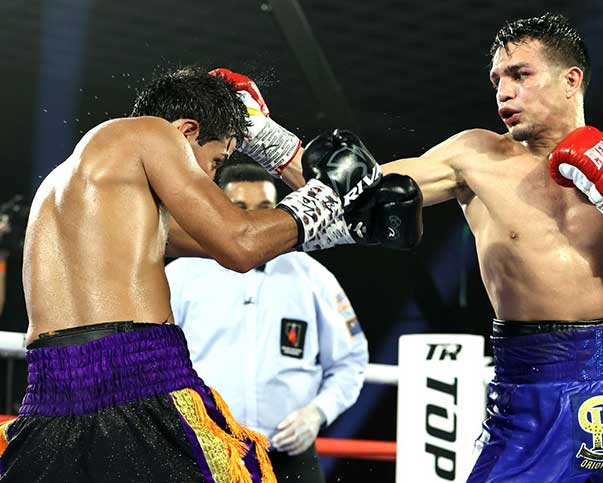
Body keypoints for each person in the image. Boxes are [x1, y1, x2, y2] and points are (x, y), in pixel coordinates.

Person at [232, 14, 603, 482]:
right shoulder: (475, 157)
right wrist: (264, 136)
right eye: (498, 79)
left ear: (570, 81)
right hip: (530, 392)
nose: (504, 91)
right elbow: (357, 195)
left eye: (521, 74)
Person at [0, 66, 417, 483]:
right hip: (138, 381)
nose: (213, 177)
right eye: (216, 160)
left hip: (51, 399)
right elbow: (240, 244)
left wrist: (350, 229)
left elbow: (240, 241)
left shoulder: (89, 188)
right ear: (186, 131)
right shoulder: (151, 134)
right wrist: (330, 189)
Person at [166, 162, 369, 483]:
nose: (252, 219)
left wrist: (316, 414)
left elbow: (350, 361)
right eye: (239, 208)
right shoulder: (180, 275)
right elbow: (150, 364)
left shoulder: (312, 276)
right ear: (219, 209)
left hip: (289, 457)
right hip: (205, 452)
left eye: (264, 208)